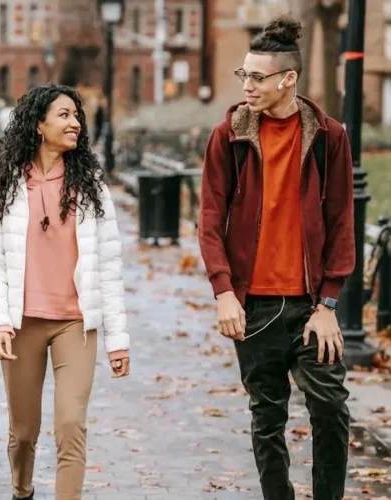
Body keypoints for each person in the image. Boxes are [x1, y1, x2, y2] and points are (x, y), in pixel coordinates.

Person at [197, 17, 354, 500]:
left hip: (309, 307)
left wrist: (328, 305)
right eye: (243, 75)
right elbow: (209, 220)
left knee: (330, 407)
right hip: (255, 307)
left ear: (288, 79)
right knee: (268, 418)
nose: (247, 85)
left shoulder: (328, 136)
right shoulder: (229, 136)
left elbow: (342, 222)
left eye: (257, 77)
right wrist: (225, 292)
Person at [0, 84, 131, 500]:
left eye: (76, 115)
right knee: (23, 432)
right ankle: (21, 490)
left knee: (71, 425)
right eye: (64, 115)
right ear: (38, 125)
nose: (75, 122)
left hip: (76, 325)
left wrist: (117, 340)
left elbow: (109, 265)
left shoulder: (91, 186)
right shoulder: (5, 184)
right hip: (22, 323)